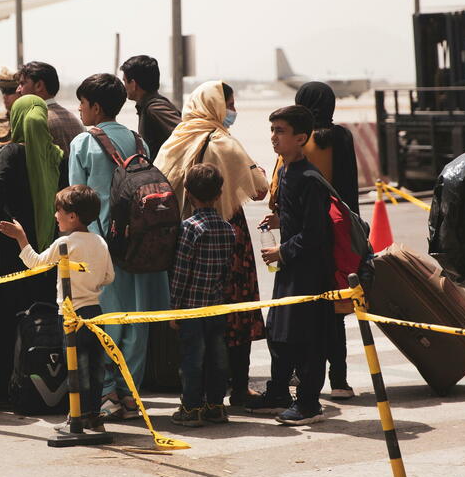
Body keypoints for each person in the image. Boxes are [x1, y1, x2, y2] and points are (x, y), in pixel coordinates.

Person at [154, 80, 270, 406]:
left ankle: (197, 393)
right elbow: (259, 188)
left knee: (193, 324)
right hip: (227, 232)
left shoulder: (175, 139)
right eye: (230, 104)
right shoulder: (223, 141)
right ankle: (238, 387)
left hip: (185, 233)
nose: (233, 112)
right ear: (217, 106)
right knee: (236, 309)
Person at [68, 73, 170, 419]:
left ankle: (109, 391)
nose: (80, 111)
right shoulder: (139, 141)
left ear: (95, 107)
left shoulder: (82, 144)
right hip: (141, 242)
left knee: (108, 318)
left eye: (82, 104)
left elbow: (74, 203)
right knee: (137, 320)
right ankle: (130, 393)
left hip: (102, 245)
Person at [0, 184, 115, 432]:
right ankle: (93, 415)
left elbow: (35, 264)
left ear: (72, 216)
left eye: (58, 210)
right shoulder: (100, 242)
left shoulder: (65, 244)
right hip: (96, 314)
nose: (55, 215)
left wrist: (21, 237)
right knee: (96, 368)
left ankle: (76, 418)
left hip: (72, 316)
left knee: (75, 368)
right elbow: (108, 277)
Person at [247, 105, 332, 426]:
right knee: (279, 334)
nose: (273, 138)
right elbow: (298, 220)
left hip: (308, 272)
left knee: (306, 338)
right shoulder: (285, 172)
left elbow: (315, 233)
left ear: (301, 138)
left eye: (280, 131)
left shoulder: (310, 178)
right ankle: (278, 392)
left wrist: (283, 251)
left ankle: (309, 404)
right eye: (272, 130)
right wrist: (280, 220)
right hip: (289, 269)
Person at [0, 95, 63, 407]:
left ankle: (2, 388)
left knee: (5, 319)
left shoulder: (10, 152)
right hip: (47, 253)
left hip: (13, 249)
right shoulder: (55, 155)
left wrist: (2, 221)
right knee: (44, 317)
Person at [280, 82, 360, 400]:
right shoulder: (340, 137)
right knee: (336, 310)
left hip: (304, 234)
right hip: (338, 232)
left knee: (305, 309)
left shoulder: (300, 141)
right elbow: (350, 187)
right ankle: (339, 380)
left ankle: (301, 375)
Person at [168, 164, 236, 427]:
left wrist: (174, 310)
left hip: (191, 309)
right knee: (218, 359)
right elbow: (226, 271)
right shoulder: (227, 229)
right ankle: (216, 406)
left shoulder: (189, 228)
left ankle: (192, 408)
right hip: (217, 307)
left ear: (188, 193)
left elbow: (181, 273)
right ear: (219, 194)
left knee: (191, 360)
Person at [120, 55, 181, 160]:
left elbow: (185, 135)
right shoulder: (148, 106)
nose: (124, 86)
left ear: (133, 84)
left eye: (125, 81)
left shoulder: (155, 108)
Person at [17, 61, 84, 155]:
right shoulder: (74, 120)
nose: (18, 89)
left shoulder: (36, 121)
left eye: (22, 84)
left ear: (39, 86)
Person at [0, 66, 21, 145]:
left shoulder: (31, 121)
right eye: (2, 90)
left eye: (9, 91)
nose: (5, 96)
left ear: (21, 91)